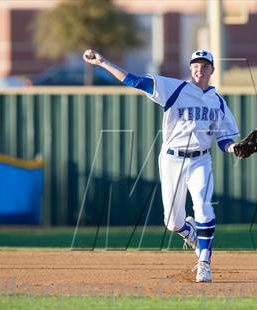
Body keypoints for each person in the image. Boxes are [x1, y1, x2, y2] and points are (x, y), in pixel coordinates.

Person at [83, 49, 240, 282]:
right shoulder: (174, 88)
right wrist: (103, 62)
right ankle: (190, 232)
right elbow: (135, 81)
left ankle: (204, 262)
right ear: (190, 68)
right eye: (195, 64)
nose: (200, 68)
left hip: (200, 159)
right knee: (172, 223)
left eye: (205, 65)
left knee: (204, 207)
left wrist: (233, 149)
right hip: (172, 159)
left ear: (212, 70)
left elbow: (224, 139)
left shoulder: (217, 101)